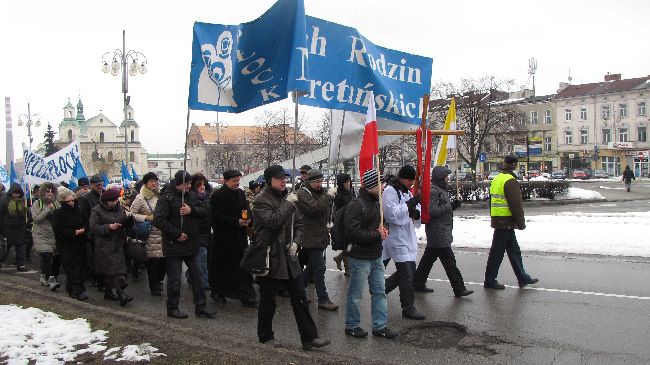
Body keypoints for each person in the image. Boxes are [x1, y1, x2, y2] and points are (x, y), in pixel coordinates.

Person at [252, 165, 330, 350]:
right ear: (269, 180)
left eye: (285, 178)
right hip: (271, 258)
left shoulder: (289, 198)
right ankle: (265, 337)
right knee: (268, 301)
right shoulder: (261, 200)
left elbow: (300, 225)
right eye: (279, 178)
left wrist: (296, 242)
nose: (283, 181)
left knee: (300, 298)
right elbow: (273, 221)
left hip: (289, 257)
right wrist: (288, 203)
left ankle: (309, 338)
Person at [153, 170, 216, 319]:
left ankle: (201, 306)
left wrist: (191, 210)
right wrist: (176, 234)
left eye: (189, 183)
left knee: (197, 276)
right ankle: (172, 307)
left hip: (191, 243)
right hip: (173, 244)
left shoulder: (192, 196)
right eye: (186, 183)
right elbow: (159, 220)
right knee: (174, 278)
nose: (189, 186)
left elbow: (205, 210)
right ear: (178, 183)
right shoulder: (166, 198)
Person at [344, 169, 398, 339]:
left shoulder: (377, 203)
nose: (383, 186)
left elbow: (382, 224)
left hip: (376, 255)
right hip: (359, 257)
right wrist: (377, 234)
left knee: (379, 292)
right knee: (356, 294)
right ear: (371, 185)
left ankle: (380, 326)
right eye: (380, 183)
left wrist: (385, 229)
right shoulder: (356, 204)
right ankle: (352, 325)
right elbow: (352, 233)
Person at [413, 166, 473, 297]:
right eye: (446, 176)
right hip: (438, 231)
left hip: (441, 230)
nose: (448, 179)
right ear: (440, 177)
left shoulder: (440, 190)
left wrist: (452, 206)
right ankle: (459, 288)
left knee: (428, 260)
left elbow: (441, 208)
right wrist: (449, 206)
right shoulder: (434, 191)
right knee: (449, 262)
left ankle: (417, 284)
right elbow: (433, 211)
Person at [484, 155, 539, 289]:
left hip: (499, 220)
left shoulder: (497, 179)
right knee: (497, 253)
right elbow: (516, 205)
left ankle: (522, 278)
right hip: (506, 221)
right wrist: (521, 223)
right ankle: (490, 281)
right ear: (514, 165)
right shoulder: (510, 180)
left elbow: (491, 201)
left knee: (514, 251)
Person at [382, 165, 425, 320]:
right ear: (402, 177)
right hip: (396, 237)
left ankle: (382, 289)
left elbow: (415, 210)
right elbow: (391, 214)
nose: (411, 183)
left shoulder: (406, 191)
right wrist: (408, 206)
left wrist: (416, 212)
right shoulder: (390, 191)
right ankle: (408, 308)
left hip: (408, 237)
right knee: (406, 274)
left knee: (407, 272)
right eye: (409, 180)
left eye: (412, 181)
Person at [210, 170, 257, 307]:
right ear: (226, 181)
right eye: (234, 181)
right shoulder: (217, 195)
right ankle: (219, 291)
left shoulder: (240, 193)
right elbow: (216, 216)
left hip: (239, 238)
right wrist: (235, 222)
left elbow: (245, 209)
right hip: (224, 239)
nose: (237, 183)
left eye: (238, 180)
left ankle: (246, 295)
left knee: (242, 268)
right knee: (224, 269)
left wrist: (247, 219)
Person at [295, 168, 338, 311]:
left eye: (321, 181)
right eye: (317, 182)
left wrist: (331, 220)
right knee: (319, 268)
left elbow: (329, 210)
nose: (320, 184)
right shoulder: (302, 193)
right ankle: (323, 299)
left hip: (322, 234)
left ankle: (297, 290)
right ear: (309, 181)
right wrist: (329, 197)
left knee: (313, 266)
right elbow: (315, 208)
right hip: (310, 235)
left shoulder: (323, 193)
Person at [90, 188, 134, 306]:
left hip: (119, 242)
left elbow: (123, 219)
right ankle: (122, 294)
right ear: (105, 201)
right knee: (113, 270)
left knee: (116, 268)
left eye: (115, 200)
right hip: (105, 244)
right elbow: (93, 227)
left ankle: (109, 292)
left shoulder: (120, 208)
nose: (114, 203)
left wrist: (127, 220)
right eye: (112, 201)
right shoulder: (97, 210)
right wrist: (108, 227)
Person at [130, 172, 166, 296]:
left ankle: (159, 280)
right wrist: (146, 217)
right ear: (146, 183)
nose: (154, 184)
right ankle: (154, 286)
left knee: (163, 261)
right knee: (153, 262)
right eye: (151, 181)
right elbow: (131, 214)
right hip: (150, 233)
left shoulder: (160, 195)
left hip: (162, 232)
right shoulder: (140, 198)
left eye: (156, 181)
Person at [53, 187, 89, 301]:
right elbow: (58, 229)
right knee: (71, 267)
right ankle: (76, 290)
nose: (71, 203)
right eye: (68, 201)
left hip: (79, 243)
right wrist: (73, 232)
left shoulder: (78, 210)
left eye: (72, 200)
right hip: (66, 245)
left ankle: (74, 288)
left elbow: (85, 222)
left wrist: (84, 229)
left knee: (79, 266)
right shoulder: (58, 213)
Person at [31, 183, 61, 291]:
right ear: (43, 192)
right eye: (47, 191)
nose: (50, 193)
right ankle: (51, 280)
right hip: (41, 235)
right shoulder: (37, 204)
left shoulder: (57, 203)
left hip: (53, 234)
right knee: (46, 256)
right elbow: (36, 218)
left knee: (55, 257)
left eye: (52, 191)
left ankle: (44, 275)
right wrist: (48, 209)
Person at [79, 175, 104, 291]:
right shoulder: (86, 199)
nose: (100, 186)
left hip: (104, 230)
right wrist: (88, 232)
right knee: (95, 257)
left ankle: (102, 278)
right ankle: (95, 278)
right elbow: (84, 217)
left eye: (101, 184)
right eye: (97, 185)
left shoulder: (103, 196)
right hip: (93, 232)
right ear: (92, 185)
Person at [187, 173, 211, 290]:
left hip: (205, 234)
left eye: (204, 185)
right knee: (201, 259)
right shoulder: (190, 198)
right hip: (194, 234)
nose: (202, 187)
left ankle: (194, 277)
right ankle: (203, 283)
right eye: (199, 185)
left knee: (201, 259)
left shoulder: (208, 198)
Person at [0, 183, 29, 272]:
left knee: (21, 247)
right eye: (15, 193)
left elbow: (25, 215)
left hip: (20, 228)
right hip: (7, 228)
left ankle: (21, 265)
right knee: (5, 248)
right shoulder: (4, 200)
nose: (17, 195)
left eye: (18, 193)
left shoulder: (22, 201)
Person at [332, 173, 355, 275]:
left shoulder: (352, 191)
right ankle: (348, 269)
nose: (348, 184)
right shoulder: (338, 195)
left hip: (352, 221)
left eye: (349, 181)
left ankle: (339, 258)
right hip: (343, 223)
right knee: (347, 245)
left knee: (350, 245)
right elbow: (338, 210)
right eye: (345, 182)